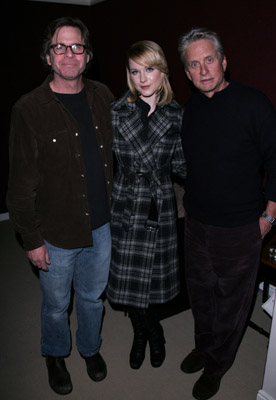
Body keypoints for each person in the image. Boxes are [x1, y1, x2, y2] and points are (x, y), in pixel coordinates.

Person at [7, 17, 114, 395]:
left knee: (92, 297)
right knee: (55, 305)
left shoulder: (103, 96)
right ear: (47, 56)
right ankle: (54, 354)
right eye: (60, 47)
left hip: (101, 226)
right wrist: (31, 238)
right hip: (55, 232)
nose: (69, 54)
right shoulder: (29, 108)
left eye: (77, 47)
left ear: (87, 56)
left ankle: (89, 348)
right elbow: (19, 184)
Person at [178, 27, 276, 400]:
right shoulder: (190, 112)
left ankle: (218, 364)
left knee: (233, 303)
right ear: (186, 73)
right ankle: (203, 347)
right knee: (201, 295)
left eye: (208, 60)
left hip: (240, 227)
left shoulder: (254, 104)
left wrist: (269, 215)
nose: (203, 70)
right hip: (197, 223)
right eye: (194, 64)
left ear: (222, 61)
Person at [106, 40, 186, 370]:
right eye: (135, 71)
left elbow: (183, 165)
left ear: (162, 71)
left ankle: (152, 330)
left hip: (159, 208)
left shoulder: (178, 115)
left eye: (149, 69)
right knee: (128, 284)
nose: (142, 78)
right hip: (126, 204)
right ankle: (145, 332)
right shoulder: (116, 112)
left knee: (151, 284)